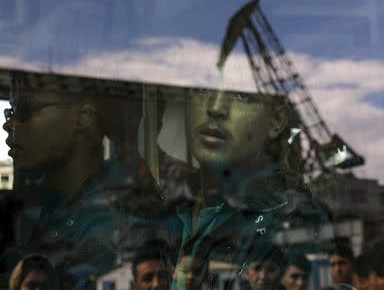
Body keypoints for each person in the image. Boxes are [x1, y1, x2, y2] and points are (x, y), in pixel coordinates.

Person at [1, 71, 163, 288]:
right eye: (11, 112)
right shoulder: (39, 204)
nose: (8, 124)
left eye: (24, 111)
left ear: (82, 118)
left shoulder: (121, 220)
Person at [172, 88, 333, 289]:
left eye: (241, 96)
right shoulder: (187, 210)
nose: (215, 108)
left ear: (276, 120)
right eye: (202, 90)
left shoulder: (294, 209)